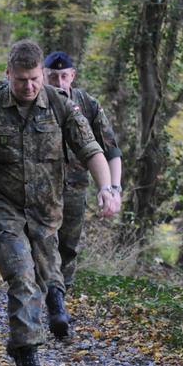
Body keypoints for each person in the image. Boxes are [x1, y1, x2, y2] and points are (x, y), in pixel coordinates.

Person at [0, 39, 120, 366]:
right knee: (22, 279)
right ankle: (29, 361)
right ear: (8, 74)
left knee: (46, 280)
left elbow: (91, 149)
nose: (28, 86)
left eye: (33, 79)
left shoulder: (61, 105)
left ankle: (27, 338)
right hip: (3, 208)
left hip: (47, 213)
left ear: (40, 75)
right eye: (21, 80)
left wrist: (107, 188)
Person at [42, 51, 123, 331]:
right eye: (53, 76)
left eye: (64, 76)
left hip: (75, 188)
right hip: (41, 190)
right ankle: (51, 300)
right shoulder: (35, 103)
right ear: (43, 75)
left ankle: (59, 300)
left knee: (68, 247)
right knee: (43, 244)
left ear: (73, 76)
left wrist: (113, 188)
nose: (59, 81)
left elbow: (111, 149)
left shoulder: (87, 104)